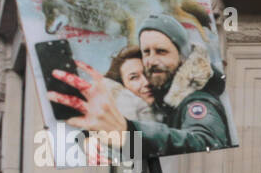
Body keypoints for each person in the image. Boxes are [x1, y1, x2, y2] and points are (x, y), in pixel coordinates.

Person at [48, 13, 231, 157]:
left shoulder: (197, 102)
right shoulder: (159, 99)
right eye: (146, 52)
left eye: (161, 51)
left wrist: (129, 131)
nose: (151, 60)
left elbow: (205, 142)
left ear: (182, 55)